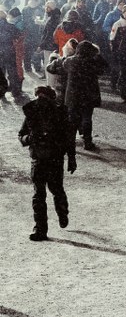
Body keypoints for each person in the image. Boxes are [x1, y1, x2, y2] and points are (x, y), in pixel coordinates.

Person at [19, 85, 77, 241]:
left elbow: (69, 138)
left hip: (54, 159)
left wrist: (71, 158)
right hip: (38, 159)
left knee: (56, 190)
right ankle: (40, 229)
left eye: (43, 96)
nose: (40, 99)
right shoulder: (31, 113)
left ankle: (62, 212)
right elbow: (21, 135)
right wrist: (29, 138)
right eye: (38, 96)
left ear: (50, 98)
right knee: (39, 195)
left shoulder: (60, 113)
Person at [46, 38, 107, 151]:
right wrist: (97, 54)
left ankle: (70, 142)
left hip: (73, 95)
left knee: (72, 120)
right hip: (89, 95)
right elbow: (105, 67)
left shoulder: (70, 61)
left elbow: (50, 68)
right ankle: (87, 142)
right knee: (87, 118)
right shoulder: (93, 62)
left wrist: (60, 58)